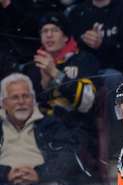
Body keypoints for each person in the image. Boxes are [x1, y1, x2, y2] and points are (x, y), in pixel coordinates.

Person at [0, 73, 79, 185]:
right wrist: (6, 174)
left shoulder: (50, 125)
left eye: (26, 96)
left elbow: (68, 157)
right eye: (15, 97)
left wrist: (39, 174)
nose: (21, 102)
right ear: (3, 103)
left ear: (33, 99)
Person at [24, 13, 99, 167]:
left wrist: (56, 74)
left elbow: (87, 102)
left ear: (66, 37)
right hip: (39, 131)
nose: (49, 35)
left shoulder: (84, 60)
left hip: (74, 129)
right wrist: (43, 84)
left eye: (55, 30)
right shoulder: (31, 67)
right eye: (44, 31)